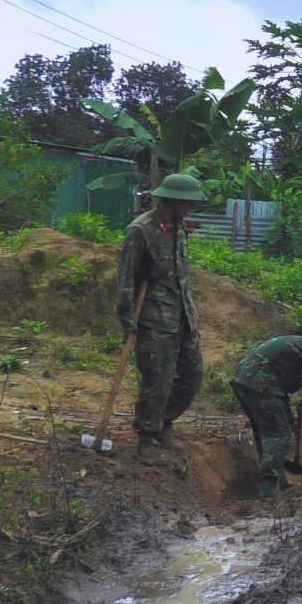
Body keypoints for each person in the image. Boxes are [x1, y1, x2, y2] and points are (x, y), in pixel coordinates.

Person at [116, 173, 207, 464]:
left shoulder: (179, 228)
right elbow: (126, 277)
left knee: (192, 375)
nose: (191, 208)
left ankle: (165, 422)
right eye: (188, 203)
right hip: (154, 318)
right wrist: (127, 319)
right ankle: (146, 437)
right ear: (174, 201)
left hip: (183, 316)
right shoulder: (140, 231)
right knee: (157, 380)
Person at [231, 324, 302, 499]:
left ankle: (278, 479)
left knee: (266, 433)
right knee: (279, 436)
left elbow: (281, 392)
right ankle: (268, 488)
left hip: (244, 381)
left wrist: (294, 419)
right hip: (262, 383)